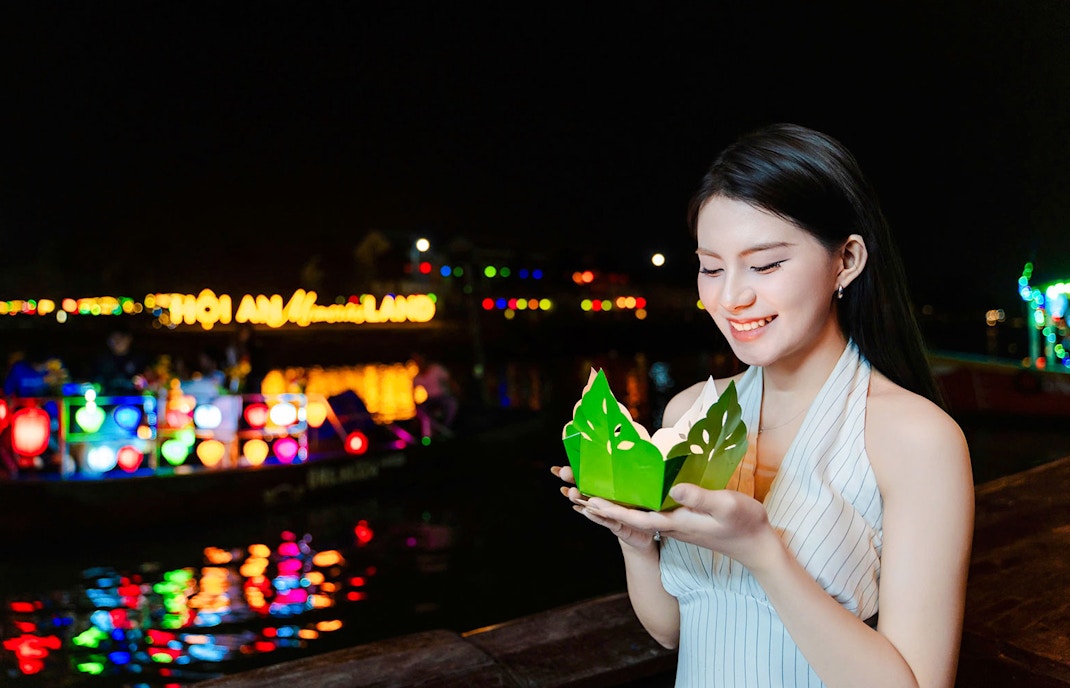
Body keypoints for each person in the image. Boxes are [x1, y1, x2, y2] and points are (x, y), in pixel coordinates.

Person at [552, 123, 973, 687]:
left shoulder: (916, 438)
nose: (731, 297)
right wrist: (634, 540)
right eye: (711, 266)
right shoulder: (689, 413)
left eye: (766, 264)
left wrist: (763, 552)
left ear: (845, 261)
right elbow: (676, 629)